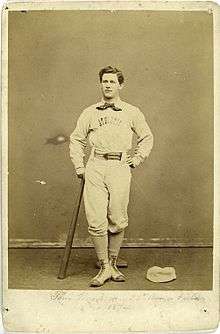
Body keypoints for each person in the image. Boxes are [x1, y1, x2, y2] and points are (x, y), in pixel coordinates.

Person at [69, 66, 153, 287]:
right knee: (96, 220)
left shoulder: (131, 111)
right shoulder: (90, 112)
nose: (107, 85)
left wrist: (137, 159)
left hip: (120, 167)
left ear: (120, 85)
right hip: (95, 166)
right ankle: (104, 265)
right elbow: (77, 139)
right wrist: (80, 167)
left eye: (112, 82)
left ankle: (113, 262)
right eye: (104, 81)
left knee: (117, 218)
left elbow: (146, 137)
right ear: (100, 84)